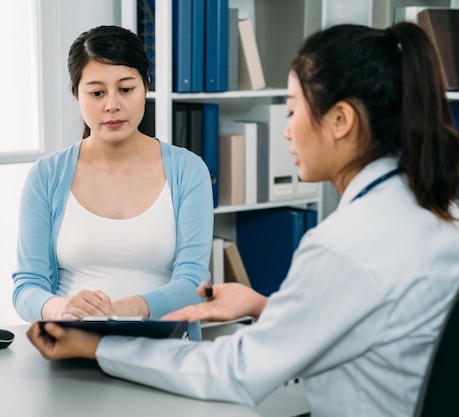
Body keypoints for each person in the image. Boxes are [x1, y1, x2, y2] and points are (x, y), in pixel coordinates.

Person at [26, 21, 459, 417]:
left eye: (292, 110)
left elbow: (236, 370)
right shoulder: (433, 212)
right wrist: (265, 308)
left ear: (341, 119)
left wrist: (98, 345)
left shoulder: (345, 245)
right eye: (96, 92)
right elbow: (373, 320)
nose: (286, 130)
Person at [11, 25, 214, 341]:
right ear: (76, 94)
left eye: (126, 89)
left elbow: (195, 283)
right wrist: (58, 307)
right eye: (96, 93)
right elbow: (26, 287)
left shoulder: (189, 170)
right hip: (73, 348)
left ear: (145, 88)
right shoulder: (46, 175)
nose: (112, 105)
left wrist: (134, 308)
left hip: (165, 350)